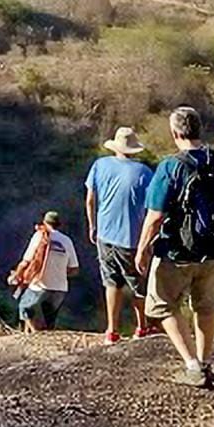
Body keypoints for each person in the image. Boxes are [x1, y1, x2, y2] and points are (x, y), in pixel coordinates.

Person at [135, 106, 214, 388]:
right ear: (199, 130)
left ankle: (192, 365)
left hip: (177, 252)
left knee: (162, 305)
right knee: (207, 308)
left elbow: (155, 217)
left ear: (175, 133)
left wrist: (142, 248)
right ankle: (205, 362)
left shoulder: (170, 166)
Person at [84, 125, 156, 344]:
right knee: (138, 285)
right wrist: (149, 240)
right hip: (132, 237)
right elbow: (152, 208)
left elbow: (90, 199)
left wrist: (92, 225)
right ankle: (141, 328)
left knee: (111, 282)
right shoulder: (144, 173)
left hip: (105, 233)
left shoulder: (100, 165)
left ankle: (112, 331)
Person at [8, 210, 78, 330]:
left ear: (45, 222)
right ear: (59, 225)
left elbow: (26, 261)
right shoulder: (67, 240)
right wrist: (58, 273)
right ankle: (40, 337)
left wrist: (16, 275)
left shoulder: (40, 236)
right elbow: (74, 269)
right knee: (49, 319)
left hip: (40, 285)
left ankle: (36, 335)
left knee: (25, 308)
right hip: (60, 288)